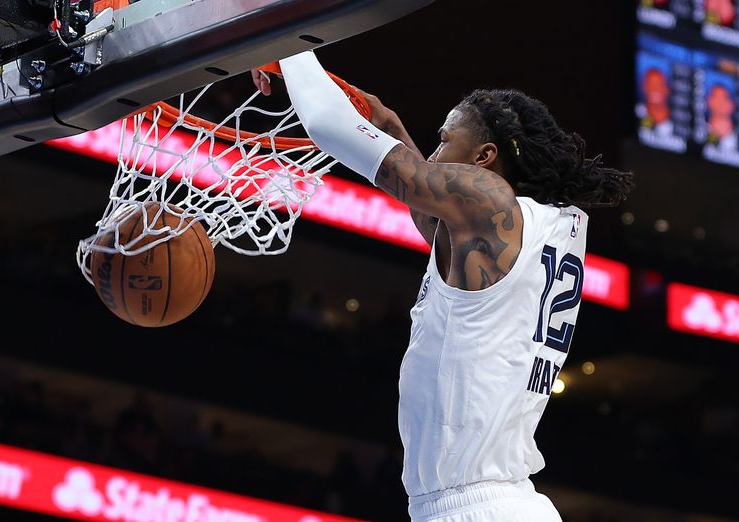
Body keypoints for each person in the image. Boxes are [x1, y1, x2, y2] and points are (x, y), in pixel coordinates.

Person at [253, 51, 634, 521]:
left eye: (444, 140)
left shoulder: (489, 202)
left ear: (483, 157)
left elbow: (330, 127)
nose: (432, 157)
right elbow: (418, 192)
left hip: (479, 506)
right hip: (493, 503)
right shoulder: (516, 228)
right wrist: (384, 122)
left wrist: (288, 45)